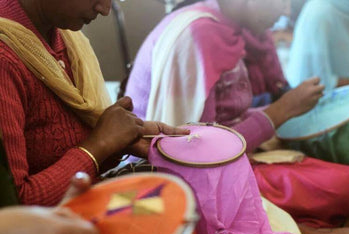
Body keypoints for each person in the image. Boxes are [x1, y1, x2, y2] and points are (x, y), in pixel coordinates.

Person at [0, 0, 188, 206]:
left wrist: (121, 140)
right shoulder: (5, 60)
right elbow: (14, 210)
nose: (105, 9)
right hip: (45, 232)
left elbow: (63, 151)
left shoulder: (66, 37)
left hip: (79, 208)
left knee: (185, 201)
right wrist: (99, 146)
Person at [126, 0, 324, 153]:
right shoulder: (197, 34)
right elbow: (195, 151)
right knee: (332, 186)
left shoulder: (227, 28)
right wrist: (281, 111)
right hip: (185, 172)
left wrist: (291, 107)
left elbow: (227, 120)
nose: (286, 11)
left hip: (225, 152)